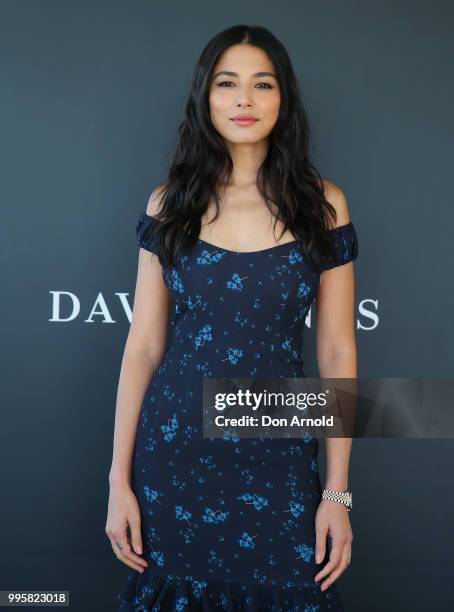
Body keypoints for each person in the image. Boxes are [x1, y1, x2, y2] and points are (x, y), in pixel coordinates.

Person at [107, 24, 358, 611]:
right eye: (227, 83)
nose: (244, 99)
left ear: (283, 99)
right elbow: (143, 346)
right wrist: (118, 481)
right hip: (176, 449)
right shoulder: (168, 203)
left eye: (261, 84)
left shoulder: (325, 205)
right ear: (206, 96)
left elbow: (338, 352)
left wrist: (338, 493)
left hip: (279, 444)